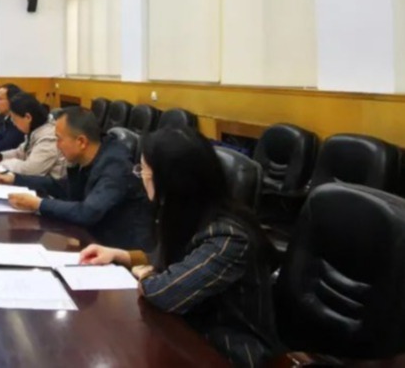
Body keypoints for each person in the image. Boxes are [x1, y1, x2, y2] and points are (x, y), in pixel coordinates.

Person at [78, 128, 279, 367]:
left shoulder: (229, 237)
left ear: (169, 179)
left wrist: (148, 275)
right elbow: (172, 261)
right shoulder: (187, 214)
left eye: (144, 169)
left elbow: (164, 294)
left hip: (227, 350)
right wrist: (119, 255)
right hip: (187, 327)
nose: (140, 176)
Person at [0, 106, 152, 250]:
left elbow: (88, 212)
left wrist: (38, 204)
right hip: (94, 240)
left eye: (59, 139)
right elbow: (63, 187)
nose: (56, 145)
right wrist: (15, 179)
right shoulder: (89, 156)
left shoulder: (115, 165)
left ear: (81, 141)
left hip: (122, 252)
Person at [0, 92, 64, 179]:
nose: (13, 123)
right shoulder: (35, 130)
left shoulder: (49, 137)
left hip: (47, 185)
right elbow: (20, 152)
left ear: (28, 117)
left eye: (14, 118)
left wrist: (2, 164)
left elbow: (30, 170)